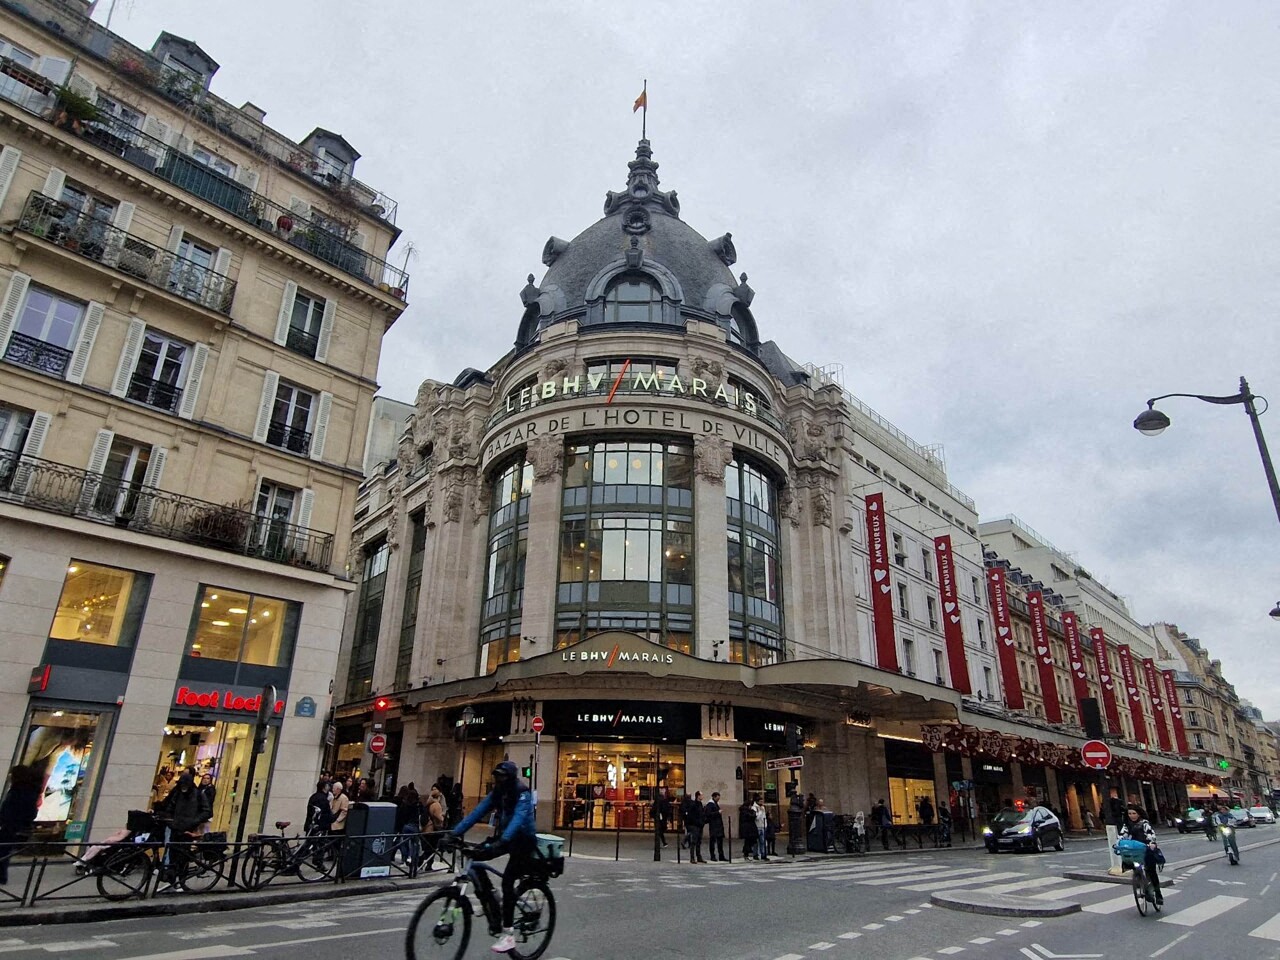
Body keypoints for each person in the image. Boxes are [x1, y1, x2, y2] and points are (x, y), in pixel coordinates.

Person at [450, 761, 537, 954]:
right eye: (496, 776)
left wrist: (503, 840)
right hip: (506, 837)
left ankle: (508, 934)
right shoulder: (498, 792)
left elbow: (519, 818)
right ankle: (491, 898)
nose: (498, 780)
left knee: (508, 882)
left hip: (523, 841)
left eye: (502, 777)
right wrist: (454, 833)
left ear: (510, 778)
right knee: (476, 859)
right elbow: (477, 812)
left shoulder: (522, 792)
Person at [0, 766, 39, 885]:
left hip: (11, 827)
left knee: (3, 851)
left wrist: (6, 820)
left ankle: (1, 876)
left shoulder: (19, 791)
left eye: (12, 774)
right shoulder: (28, 791)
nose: (9, 776)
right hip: (14, 827)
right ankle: (2, 876)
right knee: (4, 852)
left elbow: (10, 810)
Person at [1118, 804, 1163, 905]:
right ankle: (1140, 881)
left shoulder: (1144, 823)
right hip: (1134, 850)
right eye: (1129, 813)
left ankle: (1158, 894)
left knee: (1151, 871)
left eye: (1134, 813)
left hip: (1146, 848)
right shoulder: (1126, 825)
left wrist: (1152, 843)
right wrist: (1118, 843)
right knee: (1134, 866)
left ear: (1139, 814)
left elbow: (1150, 834)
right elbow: (1122, 835)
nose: (1132, 816)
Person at [396, 785, 424, 868]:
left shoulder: (405, 804)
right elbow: (423, 814)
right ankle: (414, 860)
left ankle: (404, 860)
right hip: (415, 826)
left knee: (404, 843)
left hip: (406, 826)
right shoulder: (418, 805)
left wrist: (400, 826)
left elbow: (401, 816)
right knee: (415, 844)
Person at [686, 790, 706, 863]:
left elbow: (701, 814)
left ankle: (699, 856)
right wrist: (695, 823)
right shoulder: (693, 805)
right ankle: (692, 858)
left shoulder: (700, 804)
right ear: (698, 796)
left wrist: (703, 821)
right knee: (693, 842)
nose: (702, 796)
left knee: (699, 842)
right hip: (694, 825)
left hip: (700, 825)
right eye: (701, 795)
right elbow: (691, 816)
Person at [705, 792, 725, 861]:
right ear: (714, 797)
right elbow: (709, 814)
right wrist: (718, 812)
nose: (718, 799)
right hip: (713, 825)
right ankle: (712, 856)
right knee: (712, 841)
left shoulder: (716, 804)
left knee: (720, 841)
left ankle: (721, 856)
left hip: (719, 825)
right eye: (717, 798)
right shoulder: (710, 804)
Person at [753, 794, 769, 861]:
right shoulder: (754, 808)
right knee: (756, 842)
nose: (762, 803)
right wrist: (760, 811)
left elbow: (764, 817)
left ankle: (763, 854)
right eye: (760, 801)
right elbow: (756, 817)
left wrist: (766, 824)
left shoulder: (763, 807)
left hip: (763, 826)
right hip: (757, 826)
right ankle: (755, 854)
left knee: (763, 841)